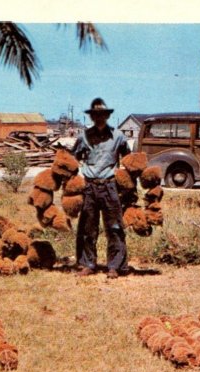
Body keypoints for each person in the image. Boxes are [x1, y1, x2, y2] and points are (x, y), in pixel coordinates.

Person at [71, 98, 131, 279]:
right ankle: (87, 264)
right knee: (87, 227)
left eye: (102, 115)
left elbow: (128, 160)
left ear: (107, 116)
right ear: (92, 117)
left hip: (110, 186)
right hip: (89, 187)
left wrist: (127, 184)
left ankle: (115, 266)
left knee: (114, 227)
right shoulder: (84, 137)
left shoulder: (118, 136)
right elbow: (73, 160)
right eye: (95, 115)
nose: (99, 118)